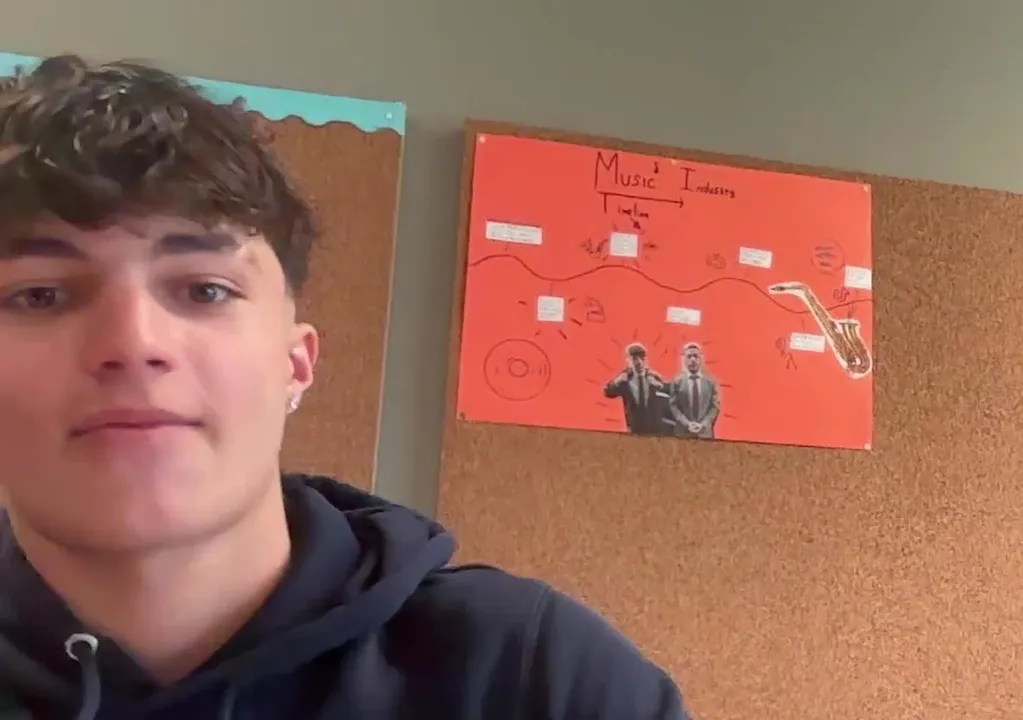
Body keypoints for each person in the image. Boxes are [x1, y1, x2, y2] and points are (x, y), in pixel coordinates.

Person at [0, 55, 688, 719]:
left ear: (296, 365)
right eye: (39, 295)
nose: (133, 343)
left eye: (205, 290)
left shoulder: (536, 678)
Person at [602, 342, 670, 436]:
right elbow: (607, 392)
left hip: (655, 428)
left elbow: (670, 394)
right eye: (634, 359)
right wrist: (616, 381)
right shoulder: (624, 378)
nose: (639, 362)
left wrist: (659, 386)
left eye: (642, 358)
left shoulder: (653, 376)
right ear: (628, 360)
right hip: (634, 429)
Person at [669, 342, 720, 439]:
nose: (693, 359)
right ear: (684, 360)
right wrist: (687, 424)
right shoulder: (676, 382)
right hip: (683, 434)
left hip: (705, 434)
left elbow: (715, 407)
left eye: (696, 356)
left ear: (701, 359)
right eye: (689, 356)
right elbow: (673, 406)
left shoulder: (711, 382)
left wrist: (703, 424)